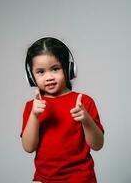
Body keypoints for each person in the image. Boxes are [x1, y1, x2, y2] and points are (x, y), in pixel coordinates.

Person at [20, 37, 104, 183]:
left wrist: (86, 120)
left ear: (69, 69)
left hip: (81, 178)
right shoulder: (32, 106)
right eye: (41, 72)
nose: (49, 77)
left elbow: (97, 145)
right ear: (31, 77)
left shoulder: (83, 102)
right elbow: (28, 147)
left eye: (55, 69)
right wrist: (34, 116)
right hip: (45, 179)